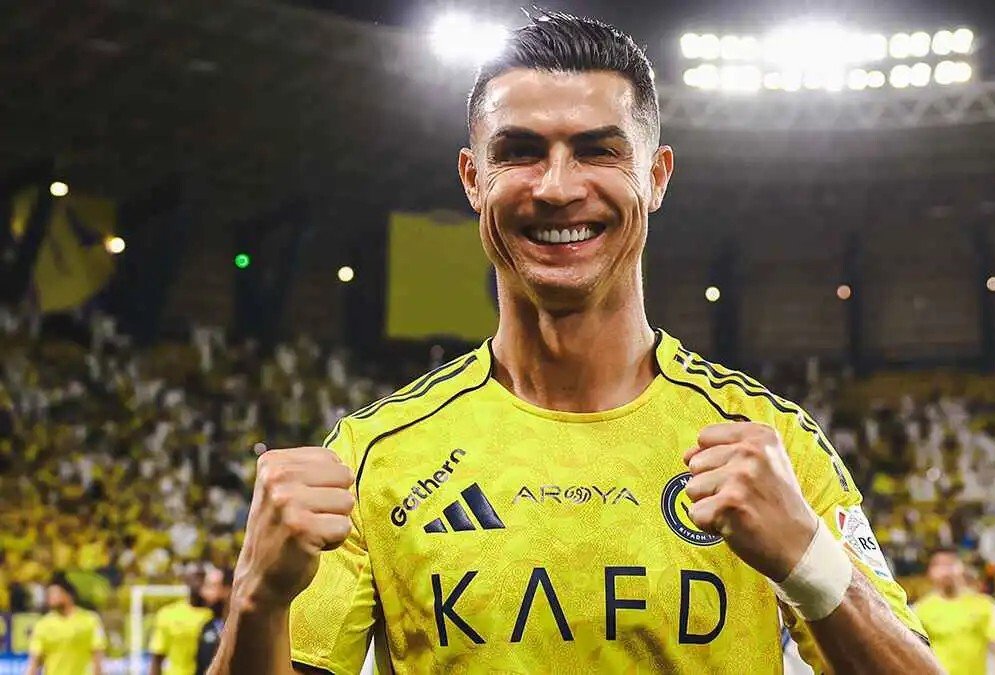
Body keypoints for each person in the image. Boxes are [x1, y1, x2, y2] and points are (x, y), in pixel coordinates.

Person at [211, 10, 939, 674]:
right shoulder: (376, 457)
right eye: (520, 152)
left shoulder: (770, 444)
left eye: (598, 151)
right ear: (473, 179)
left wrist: (809, 561)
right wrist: (256, 600)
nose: (557, 187)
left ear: (656, 177)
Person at [914, 548, 995, 675]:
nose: (946, 571)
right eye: (939, 565)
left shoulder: (983, 605)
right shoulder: (921, 610)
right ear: (930, 572)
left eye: (950, 564)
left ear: (962, 568)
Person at [24, 575, 105, 675]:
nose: (50, 598)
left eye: (54, 593)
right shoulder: (43, 625)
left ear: (68, 595)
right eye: (49, 594)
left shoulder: (90, 620)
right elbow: (34, 661)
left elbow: (97, 655)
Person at [148, 568, 214, 675]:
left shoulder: (215, 615)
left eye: (203, 577)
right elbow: (157, 657)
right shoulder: (169, 614)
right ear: (186, 580)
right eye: (196, 576)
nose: (199, 582)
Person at [192, 567, 233, 675]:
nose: (203, 593)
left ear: (228, 590)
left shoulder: (244, 629)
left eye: (210, 586)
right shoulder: (208, 626)